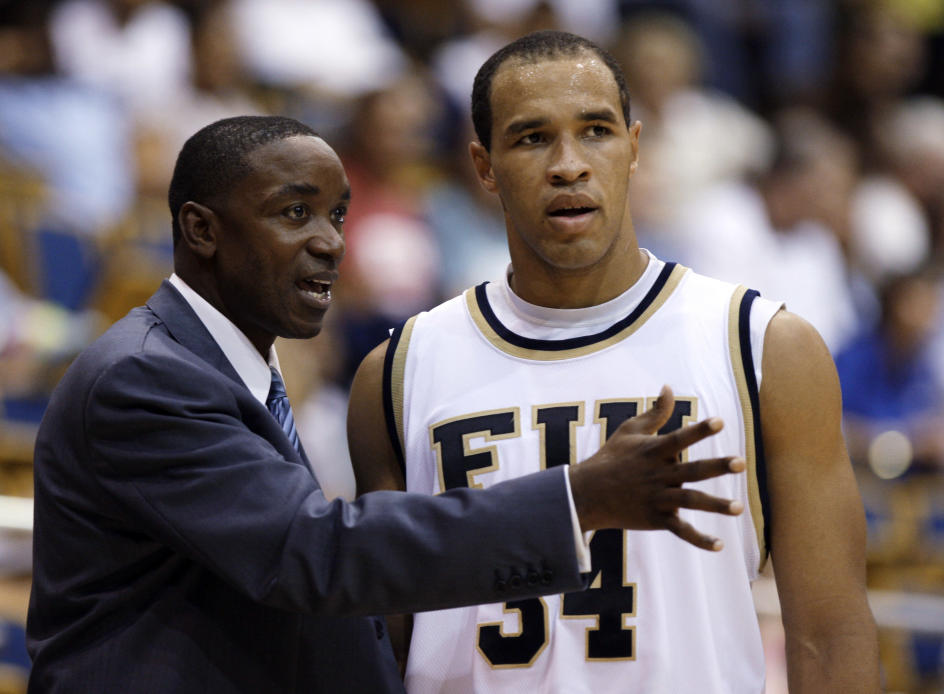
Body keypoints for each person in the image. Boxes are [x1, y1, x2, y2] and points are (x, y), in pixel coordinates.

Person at [26, 115, 746, 693]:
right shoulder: (147, 378)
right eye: (294, 213)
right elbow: (313, 554)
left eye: (337, 214)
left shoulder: (224, 367)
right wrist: (576, 498)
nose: (330, 242)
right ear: (202, 229)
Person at [348, 31, 880, 693]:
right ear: (483, 167)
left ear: (634, 147)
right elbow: (383, 644)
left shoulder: (763, 345)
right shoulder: (396, 372)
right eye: (531, 138)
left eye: (595, 131)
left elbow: (828, 630)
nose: (568, 164)